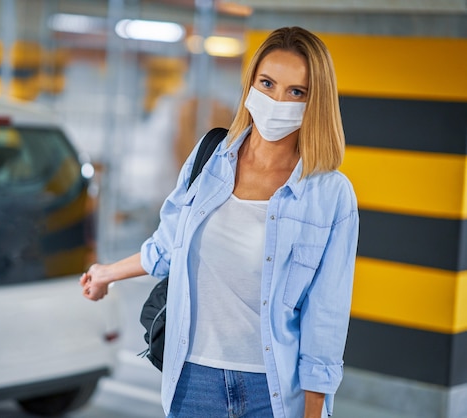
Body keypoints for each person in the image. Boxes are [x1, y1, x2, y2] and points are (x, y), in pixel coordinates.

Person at [80, 26, 359, 418]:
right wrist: (106, 273)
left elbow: (326, 316)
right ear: (250, 84)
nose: (277, 100)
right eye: (267, 83)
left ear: (316, 101)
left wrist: (314, 412)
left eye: (297, 91)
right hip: (193, 381)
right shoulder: (210, 157)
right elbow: (167, 245)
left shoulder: (330, 194)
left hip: (274, 391)